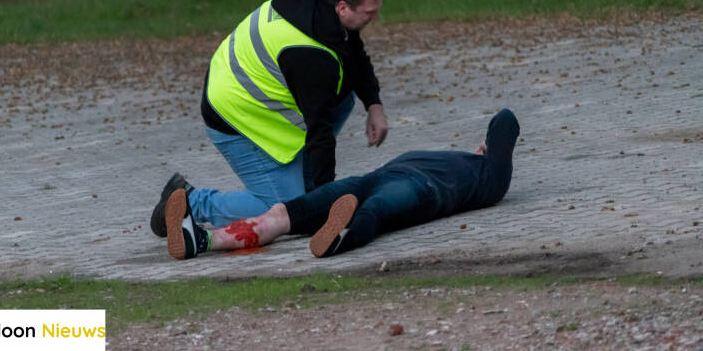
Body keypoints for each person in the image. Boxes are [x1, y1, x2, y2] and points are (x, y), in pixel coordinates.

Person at [151, 0, 390, 234]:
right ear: (344, 7)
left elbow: (354, 53)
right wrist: (324, 204)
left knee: (342, 95)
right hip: (234, 117)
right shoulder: (310, 54)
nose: (376, 17)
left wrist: (374, 104)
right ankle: (188, 203)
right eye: (370, 13)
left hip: (248, 95)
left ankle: (307, 187)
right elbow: (319, 130)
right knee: (285, 211)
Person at [162, 109, 520, 259]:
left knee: (375, 211)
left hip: (424, 191)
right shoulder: (468, 161)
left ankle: (341, 238)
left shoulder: (490, 180)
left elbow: (506, 120)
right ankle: (203, 240)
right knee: (284, 212)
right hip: (373, 178)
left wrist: (489, 154)